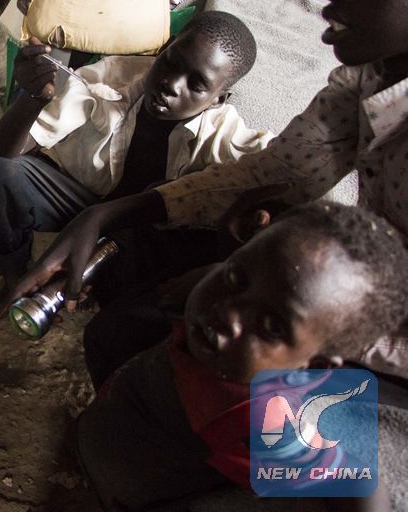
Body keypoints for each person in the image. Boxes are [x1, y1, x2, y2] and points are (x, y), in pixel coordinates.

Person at [12, 0, 408, 378]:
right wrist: (105, 214)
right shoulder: (368, 78)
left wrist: (286, 315)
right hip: (353, 310)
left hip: (380, 352)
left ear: (221, 97)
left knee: (174, 364)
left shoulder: (222, 132)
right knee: (118, 333)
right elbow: (284, 171)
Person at [0, 11, 272, 344]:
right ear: (165, 47)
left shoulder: (224, 136)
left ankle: (93, 288)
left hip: (140, 231)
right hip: (80, 200)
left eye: (196, 85)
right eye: (171, 62)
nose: (172, 84)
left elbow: (280, 168)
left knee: (157, 256)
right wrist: (32, 97)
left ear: (219, 99)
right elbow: (4, 154)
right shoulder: (108, 78)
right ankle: (13, 285)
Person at [75, 202, 408, 509]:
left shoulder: (256, 418)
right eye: (238, 278)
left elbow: (358, 484)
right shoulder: (218, 323)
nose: (228, 314)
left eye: (272, 326)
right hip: (122, 441)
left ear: (313, 366)